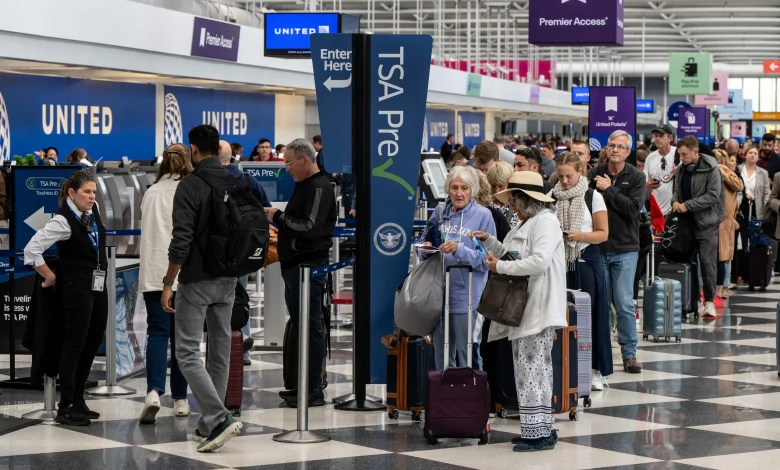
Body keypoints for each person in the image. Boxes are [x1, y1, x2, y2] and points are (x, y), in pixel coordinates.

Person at [471, 171, 566, 452]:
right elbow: (512, 255)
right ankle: (538, 429)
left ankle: (537, 435)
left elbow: (537, 262)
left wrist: (498, 267)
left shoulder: (545, 223)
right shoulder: (528, 222)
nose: (511, 205)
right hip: (526, 307)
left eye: (513, 200)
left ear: (526, 200)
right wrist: (489, 241)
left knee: (532, 371)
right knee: (532, 370)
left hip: (537, 308)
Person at [161, 124, 243, 453]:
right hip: (230, 278)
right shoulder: (236, 180)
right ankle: (208, 424)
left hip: (197, 278)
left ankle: (219, 416)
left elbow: (181, 239)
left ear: (194, 149)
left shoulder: (191, 185)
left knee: (186, 352)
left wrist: (169, 282)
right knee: (220, 353)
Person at [24, 170, 108, 426]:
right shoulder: (62, 221)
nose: (92, 196)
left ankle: (79, 398)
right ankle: (67, 404)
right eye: (86, 192)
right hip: (77, 291)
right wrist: (49, 275)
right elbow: (31, 249)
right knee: (75, 344)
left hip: (97, 287)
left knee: (91, 342)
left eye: (94, 192)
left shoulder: (91, 215)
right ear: (72, 193)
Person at [264, 138, 337, 407]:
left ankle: (313, 389)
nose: (287, 169)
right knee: (300, 325)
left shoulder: (319, 187)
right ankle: (302, 384)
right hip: (295, 266)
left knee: (311, 326)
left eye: (290, 163)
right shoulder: (305, 186)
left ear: (306, 160)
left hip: (309, 266)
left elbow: (310, 228)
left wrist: (277, 218)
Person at [419, 166, 496, 370]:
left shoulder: (483, 216)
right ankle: (444, 399)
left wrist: (458, 250)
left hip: (467, 295)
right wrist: (425, 249)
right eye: (454, 187)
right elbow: (426, 240)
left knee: (467, 352)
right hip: (438, 294)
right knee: (442, 355)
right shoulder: (439, 213)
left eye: (464, 188)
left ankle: (471, 398)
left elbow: (486, 259)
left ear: (472, 191)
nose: (459, 193)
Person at [138, 143, 193, 424]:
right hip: (183, 275)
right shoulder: (190, 189)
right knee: (182, 338)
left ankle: (152, 392)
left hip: (153, 274)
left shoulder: (150, 192)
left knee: (157, 333)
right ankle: (181, 399)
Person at [551, 152, 611, 391]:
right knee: (561, 315)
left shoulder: (592, 196)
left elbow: (603, 233)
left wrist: (580, 236)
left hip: (586, 259)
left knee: (591, 316)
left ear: (580, 172)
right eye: (561, 176)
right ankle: (563, 365)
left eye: (570, 176)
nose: (565, 181)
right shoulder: (552, 196)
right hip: (560, 262)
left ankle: (595, 369)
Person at [587, 130, 646, 374]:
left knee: (623, 303)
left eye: (620, 147)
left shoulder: (636, 177)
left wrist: (610, 189)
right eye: (612, 145)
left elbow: (633, 209)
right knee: (600, 304)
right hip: (598, 248)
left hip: (625, 248)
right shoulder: (593, 174)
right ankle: (599, 355)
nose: (615, 150)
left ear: (627, 152)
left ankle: (629, 354)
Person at [218, 140, 271, 365]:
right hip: (243, 250)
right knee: (241, 297)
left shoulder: (207, 181)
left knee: (215, 301)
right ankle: (243, 350)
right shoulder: (249, 179)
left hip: (216, 250)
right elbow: (266, 209)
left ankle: (220, 351)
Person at [672, 136, 724, 318]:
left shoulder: (712, 169)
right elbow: (676, 190)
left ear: (696, 152)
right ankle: (690, 300)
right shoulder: (681, 169)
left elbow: (713, 196)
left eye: (685, 154)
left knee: (707, 261)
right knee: (685, 261)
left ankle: (709, 301)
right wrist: (676, 201)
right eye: (680, 155)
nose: (682, 158)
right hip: (685, 222)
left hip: (706, 222)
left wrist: (688, 205)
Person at [713, 149, 743, 303]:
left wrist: (721, 169)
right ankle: (716, 291)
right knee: (717, 258)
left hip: (723, 222)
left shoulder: (725, 173)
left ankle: (719, 291)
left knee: (722, 258)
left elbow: (739, 186)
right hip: (715, 221)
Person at [645, 124, 677, 216]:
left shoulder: (678, 154)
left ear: (670, 138)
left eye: (661, 136)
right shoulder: (650, 157)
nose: (657, 139)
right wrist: (647, 185)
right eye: (656, 136)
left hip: (675, 210)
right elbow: (644, 182)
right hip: (655, 211)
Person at [486, 160, 519, 228]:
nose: (496, 190)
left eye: (501, 186)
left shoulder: (518, 206)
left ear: (510, 183)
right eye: (493, 186)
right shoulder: (485, 202)